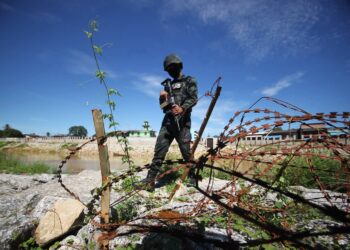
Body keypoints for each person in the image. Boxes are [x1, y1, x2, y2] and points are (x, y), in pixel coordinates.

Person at [141, 53, 198, 191]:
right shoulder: (168, 85)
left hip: (182, 123)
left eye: (173, 67)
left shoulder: (189, 80)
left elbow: (194, 98)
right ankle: (150, 180)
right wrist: (162, 98)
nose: (171, 70)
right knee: (159, 152)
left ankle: (193, 178)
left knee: (186, 152)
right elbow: (163, 107)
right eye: (169, 69)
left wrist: (182, 108)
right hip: (167, 123)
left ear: (179, 66)